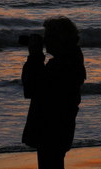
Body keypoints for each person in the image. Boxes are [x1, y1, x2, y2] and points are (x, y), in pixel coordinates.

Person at [21, 16, 86, 169]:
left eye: (49, 36)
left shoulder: (63, 65)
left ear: (60, 39)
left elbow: (32, 87)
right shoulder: (72, 59)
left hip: (51, 129)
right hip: (59, 128)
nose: (46, 40)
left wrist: (35, 57)